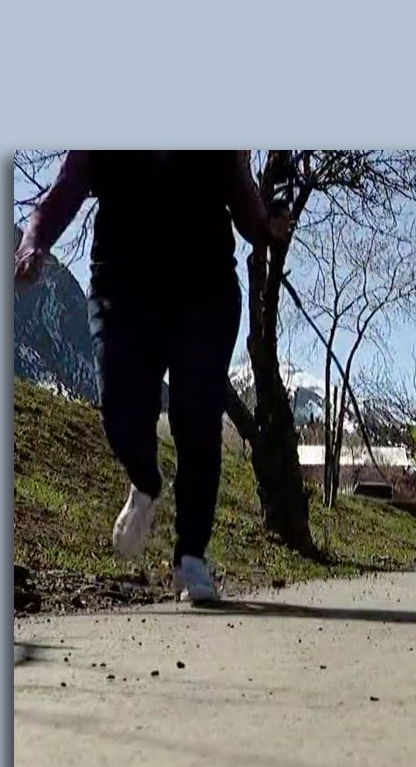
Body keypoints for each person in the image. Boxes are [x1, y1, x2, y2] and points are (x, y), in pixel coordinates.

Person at [16, 151, 291, 602]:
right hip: (122, 288)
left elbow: (244, 201)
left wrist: (267, 226)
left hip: (204, 291)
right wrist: (34, 239)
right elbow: (66, 187)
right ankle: (145, 481)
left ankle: (191, 559)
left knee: (197, 416)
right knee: (120, 408)